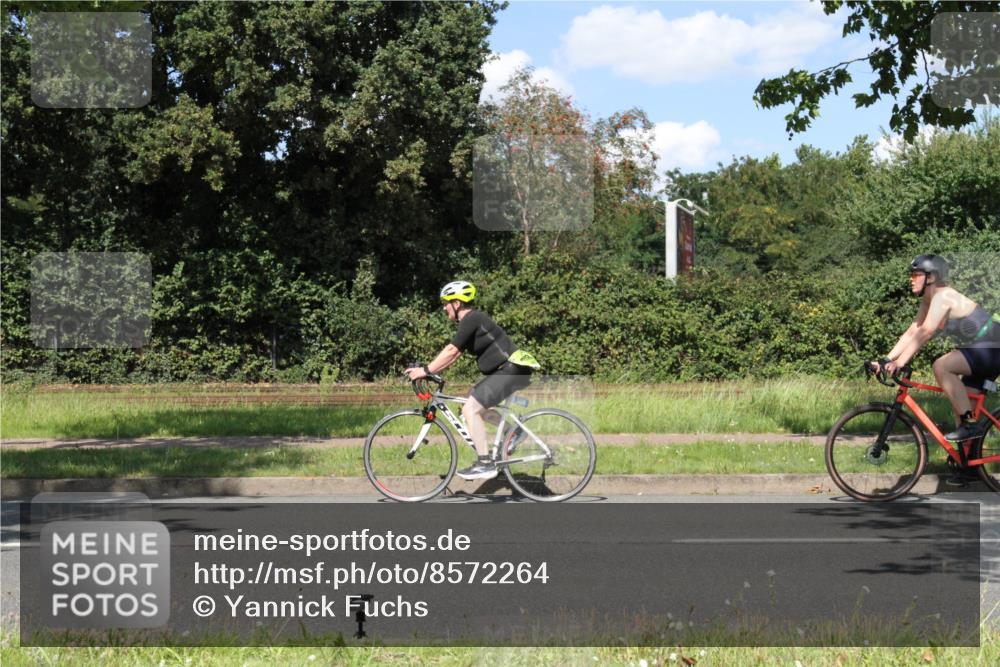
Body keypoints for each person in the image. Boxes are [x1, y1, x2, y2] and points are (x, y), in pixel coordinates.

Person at [405, 281, 538, 480]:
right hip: (510, 370)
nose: (444, 307)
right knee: (470, 404)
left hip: (510, 369)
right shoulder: (472, 321)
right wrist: (432, 371)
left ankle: (485, 463)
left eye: (446, 303)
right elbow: (454, 355)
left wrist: (424, 371)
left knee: (470, 409)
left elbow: (451, 351)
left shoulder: (472, 318)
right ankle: (514, 433)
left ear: (456, 303)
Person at [873, 254, 1000, 454]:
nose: (911, 279)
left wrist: (900, 362)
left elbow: (926, 331)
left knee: (941, 366)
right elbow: (913, 331)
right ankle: (969, 467)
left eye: (916, 274)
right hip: (980, 350)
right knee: (962, 410)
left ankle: (970, 425)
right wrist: (888, 359)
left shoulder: (943, 296)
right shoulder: (928, 300)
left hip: (991, 347)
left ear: (931, 277)